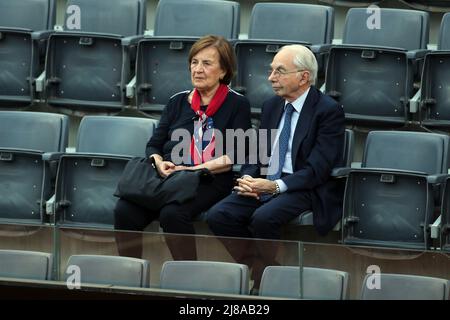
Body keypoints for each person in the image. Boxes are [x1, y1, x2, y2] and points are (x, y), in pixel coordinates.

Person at [206, 44, 345, 290]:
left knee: (263, 218)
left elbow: (318, 169)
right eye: (271, 71)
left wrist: (275, 186)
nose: (271, 78)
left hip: (301, 186)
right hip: (265, 181)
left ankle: (263, 283)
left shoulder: (328, 111)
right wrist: (248, 178)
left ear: (304, 77)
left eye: (279, 71)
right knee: (219, 215)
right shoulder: (272, 105)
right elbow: (257, 151)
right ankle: (264, 268)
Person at [114, 35, 252, 260]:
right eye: (194, 62)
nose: (197, 69)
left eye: (207, 64)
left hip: (210, 178)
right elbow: (154, 145)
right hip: (169, 177)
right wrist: (160, 162)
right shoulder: (177, 101)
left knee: (173, 213)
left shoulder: (237, 104)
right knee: (124, 210)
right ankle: (130, 272)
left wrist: (194, 170)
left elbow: (238, 152)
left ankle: (187, 275)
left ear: (224, 71)